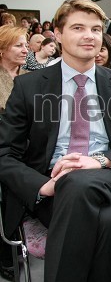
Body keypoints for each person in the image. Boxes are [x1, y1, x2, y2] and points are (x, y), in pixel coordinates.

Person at [0, 0, 111, 282]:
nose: (89, 35)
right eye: (78, 28)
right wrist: (43, 186)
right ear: (58, 35)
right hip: (50, 185)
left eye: (96, 29)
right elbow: (4, 153)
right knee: (108, 222)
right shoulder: (29, 85)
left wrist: (97, 160)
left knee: (75, 181)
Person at [0, 25, 29, 281]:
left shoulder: (32, 75)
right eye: (18, 45)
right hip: (5, 147)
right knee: (12, 180)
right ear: (2, 50)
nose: (25, 49)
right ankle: (7, 246)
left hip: (30, 146)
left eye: (26, 44)